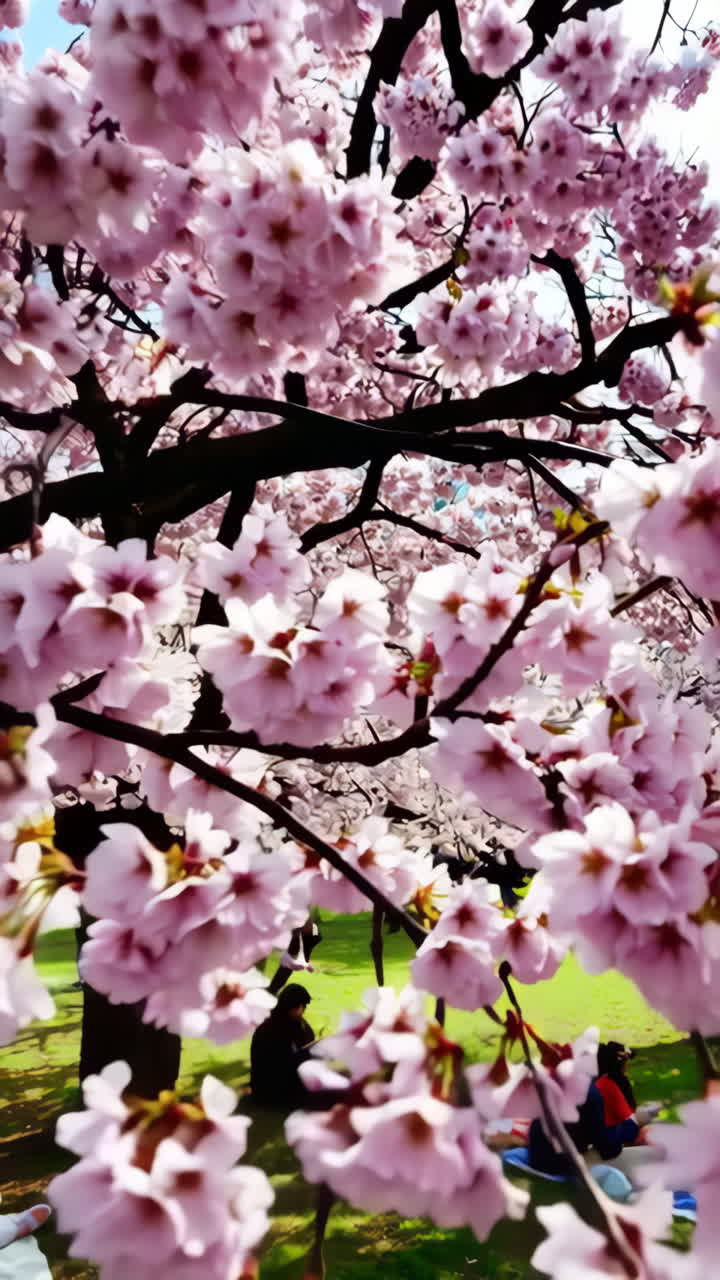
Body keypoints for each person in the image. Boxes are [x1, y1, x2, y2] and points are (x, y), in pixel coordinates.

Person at [250, 983, 315, 1108]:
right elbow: (283, 1064)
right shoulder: (277, 1028)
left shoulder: (288, 1022)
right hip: (273, 1090)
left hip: (271, 1085)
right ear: (293, 1007)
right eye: (302, 1007)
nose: (303, 1011)